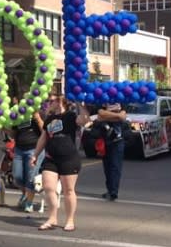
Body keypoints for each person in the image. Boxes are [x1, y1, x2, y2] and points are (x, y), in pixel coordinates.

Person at [30, 96, 89, 232]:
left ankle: (69, 220)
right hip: (51, 158)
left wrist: (80, 103)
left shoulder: (70, 116)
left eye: (52, 101)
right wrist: (35, 155)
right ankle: (52, 218)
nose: (49, 103)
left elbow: (85, 120)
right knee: (48, 187)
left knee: (68, 190)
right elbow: (43, 138)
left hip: (68, 158)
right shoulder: (49, 120)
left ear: (59, 102)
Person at [10, 110, 44, 212]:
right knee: (17, 176)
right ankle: (25, 194)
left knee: (31, 178)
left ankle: (29, 203)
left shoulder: (38, 113)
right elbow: (13, 134)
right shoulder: (18, 114)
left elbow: (45, 132)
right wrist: (4, 128)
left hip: (34, 149)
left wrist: (38, 118)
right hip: (19, 149)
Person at [97, 103, 127, 201]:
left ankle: (114, 192)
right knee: (107, 166)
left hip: (118, 140)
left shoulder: (122, 101)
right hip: (105, 140)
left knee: (115, 166)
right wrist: (117, 116)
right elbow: (100, 115)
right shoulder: (102, 100)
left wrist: (107, 115)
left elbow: (123, 117)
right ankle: (109, 189)